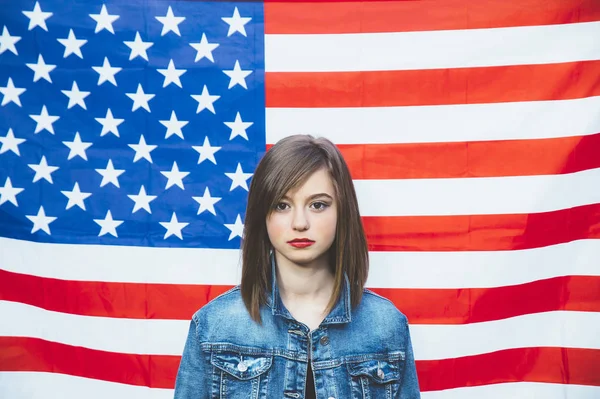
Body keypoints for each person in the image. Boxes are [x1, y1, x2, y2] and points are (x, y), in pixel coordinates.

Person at [173, 134, 421, 398]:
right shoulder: (214, 326)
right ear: (262, 216)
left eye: (318, 205)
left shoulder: (386, 325)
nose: (300, 222)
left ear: (342, 212)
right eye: (282, 205)